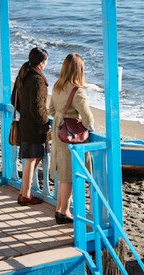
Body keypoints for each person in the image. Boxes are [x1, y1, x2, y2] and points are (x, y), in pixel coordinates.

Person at [48, 53, 96, 224]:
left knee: (63, 172)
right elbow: (88, 119)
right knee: (68, 174)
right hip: (71, 136)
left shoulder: (57, 85)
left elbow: (51, 110)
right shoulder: (77, 91)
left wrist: (61, 117)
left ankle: (60, 208)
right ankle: (64, 211)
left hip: (58, 131)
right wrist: (85, 126)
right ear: (79, 70)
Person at [11, 47, 49, 206]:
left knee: (30, 158)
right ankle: (25, 195)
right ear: (41, 63)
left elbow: (13, 99)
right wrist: (45, 123)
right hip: (34, 127)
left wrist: (24, 112)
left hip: (25, 123)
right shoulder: (37, 79)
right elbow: (38, 107)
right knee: (32, 159)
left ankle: (23, 192)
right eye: (46, 61)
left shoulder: (23, 75)